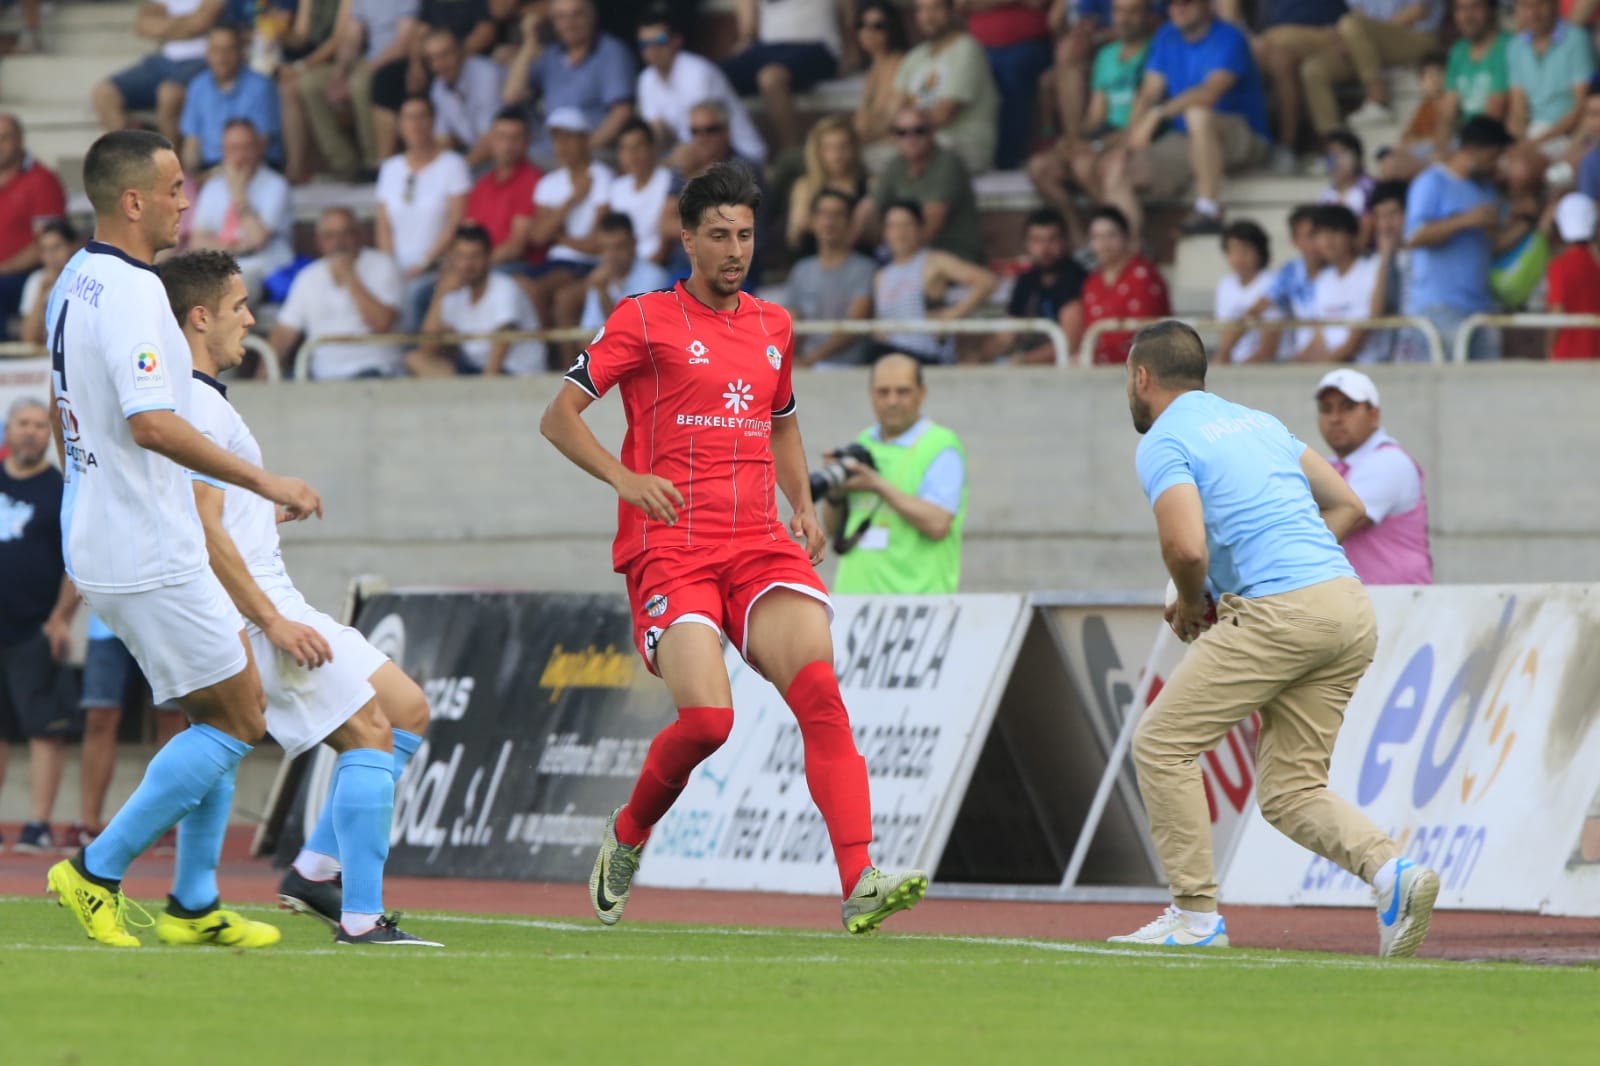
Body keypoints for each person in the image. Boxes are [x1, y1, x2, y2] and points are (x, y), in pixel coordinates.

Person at [539, 162, 929, 935]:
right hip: (671, 546)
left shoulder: (772, 326)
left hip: (757, 543)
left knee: (821, 694)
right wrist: (626, 478)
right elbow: (559, 417)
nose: (734, 249)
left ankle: (859, 881)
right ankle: (629, 833)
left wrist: (803, 505)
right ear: (687, 240)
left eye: (745, 234)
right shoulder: (644, 317)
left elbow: (781, 420)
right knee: (709, 723)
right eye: (718, 235)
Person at [44, 128, 320, 949]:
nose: (184, 201)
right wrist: (262, 482)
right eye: (173, 189)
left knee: (217, 709)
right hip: (146, 543)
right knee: (239, 716)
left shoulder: (73, 280)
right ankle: (95, 872)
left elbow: (76, 421)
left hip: (102, 529)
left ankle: (194, 904)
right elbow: (153, 423)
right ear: (134, 201)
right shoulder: (132, 293)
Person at [1112, 319, 1440, 958]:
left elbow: (1184, 545)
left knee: (1162, 743)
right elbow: (1345, 502)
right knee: (1291, 791)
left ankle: (1194, 917)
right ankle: (1391, 873)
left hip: (1281, 612)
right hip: (1346, 607)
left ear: (1140, 377)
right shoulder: (1256, 421)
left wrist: (1189, 601)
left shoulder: (1164, 440)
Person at [149, 250, 436, 945]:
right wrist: (270, 621)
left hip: (274, 601)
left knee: (406, 711)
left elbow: (210, 518)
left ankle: (313, 869)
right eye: (239, 305)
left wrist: (266, 512)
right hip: (260, 615)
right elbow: (202, 532)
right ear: (200, 317)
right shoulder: (191, 404)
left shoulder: (204, 400)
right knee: (368, 732)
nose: (252, 317)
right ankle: (362, 919)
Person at [1103, 0, 1270, 239]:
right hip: (1187, 138)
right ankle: (1128, 255)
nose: (1178, 8)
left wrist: (1158, 114)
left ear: (1206, 5)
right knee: (1119, 170)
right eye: (1172, 4)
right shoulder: (1166, 34)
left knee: (1198, 113)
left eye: (1187, 2)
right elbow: (1149, 92)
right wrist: (1130, 139)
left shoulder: (1229, 36)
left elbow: (1210, 93)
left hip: (1244, 134)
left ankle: (1209, 210)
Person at [0, 398, 79, 854]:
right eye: (22, 424)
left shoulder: (60, 489)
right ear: (8, 431)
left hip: (36, 629)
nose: (30, 431)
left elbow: (75, 561)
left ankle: (38, 823)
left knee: (45, 730)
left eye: (37, 424)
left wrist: (59, 620)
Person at [824, 353, 968, 594]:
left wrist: (877, 485)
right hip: (855, 601)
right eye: (883, 392)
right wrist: (834, 495)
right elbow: (831, 529)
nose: (892, 401)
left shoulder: (941, 446)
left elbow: (938, 524)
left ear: (922, 393)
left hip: (916, 607)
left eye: (903, 392)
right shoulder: (862, 443)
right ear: (871, 394)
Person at [1026, 0, 1152, 233]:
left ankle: (1121, 236)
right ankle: (1079, 238)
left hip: (1136, 140)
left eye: (1133, 12)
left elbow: (1138, 125)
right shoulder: (1107, 55)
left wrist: (1093, 145)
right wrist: (1075, 140)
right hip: (1104, 138)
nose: (1124, 19)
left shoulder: (1155, 52)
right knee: (1040, 168)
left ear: (1148, 15)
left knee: (1084, 165)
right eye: (1119, 11)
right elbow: (1096, 117)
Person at [1404, 115, 1521, 361]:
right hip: (1440, 306)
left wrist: (1527, 224)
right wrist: (1465, 220)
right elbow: (1414, 236)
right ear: (1471, 150)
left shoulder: (1485, 189)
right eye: (1493, 156)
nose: (1496, 164)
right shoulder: (1432, 182)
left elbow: (1493, 246)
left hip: (1481, 308)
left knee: (1484, 391)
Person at [73, 615, 185, 852]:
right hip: (106, 621)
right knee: (99, 716)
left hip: (164, 621)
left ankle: (169, 826)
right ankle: (89, 826)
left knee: (171, 718)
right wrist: (61, 617)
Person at [1314, 368, 1433, 585]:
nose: (1335, 419)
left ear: (1374, 414)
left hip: (1402, 607)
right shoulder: (1332, 465)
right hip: (1373, 606)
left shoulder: (1389, 461)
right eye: (1326, 409)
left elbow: (1332, 524)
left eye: (1347, 407)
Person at [269, 207, 406, 380]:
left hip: (373, 371)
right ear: (319, 241)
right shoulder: (308, 276)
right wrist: (264, 375)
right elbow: (284, 333)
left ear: (359, 235)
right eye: (330, 236)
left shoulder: (383, 265)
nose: (339, 242)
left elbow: (382, 323)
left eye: (345, 233)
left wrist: (350, 277)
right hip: (320, 377)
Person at [375, 95, 472, 331]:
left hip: (437, 265)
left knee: (413, 295)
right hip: (396, 265)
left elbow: (455, 221)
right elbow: (383, 225)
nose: (415, 124)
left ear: (432, 121)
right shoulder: (390, 168)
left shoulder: (453, 164)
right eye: (409, 118)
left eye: (421, 116)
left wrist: (424, 263)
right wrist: (390, 266)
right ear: (400, 125)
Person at [298, 0, 421, 180]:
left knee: (359, 83)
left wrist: (367, 69)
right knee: (309, 84)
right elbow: (352, 37)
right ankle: (343, 163)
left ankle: (373, 163)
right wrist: (340, 74)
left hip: (395, 64)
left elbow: (403, 43)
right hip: (366, 63)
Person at [503, 0, 635, 162]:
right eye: (561, 17)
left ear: (592, 17)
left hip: (594, 153)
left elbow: (622, 112)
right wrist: (529, 43)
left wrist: (583, 150)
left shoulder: (612, 52)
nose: (569, 23)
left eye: (577, 15)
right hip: (549, 150)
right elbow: (511, 96)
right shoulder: (550, 55)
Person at [635, 9, 767, 170]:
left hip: (742, 157)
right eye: (645, 44)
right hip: (698, 157)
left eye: (660, 40)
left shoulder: (697, 72)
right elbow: (656, 133)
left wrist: (659, 165)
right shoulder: (646, 79)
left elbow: (704, 138)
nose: (653, 49)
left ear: (677, 41)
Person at [409, 224, 547, 376]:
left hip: (514, 374)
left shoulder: (504, 287)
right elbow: (427, 348)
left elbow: (503, 341)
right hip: (476, 373)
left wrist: (483, 387)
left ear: (488, 258)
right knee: (415, 359)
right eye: (461, 256)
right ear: (451, 258)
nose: (467, 264)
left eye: (475, 256)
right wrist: (439, 295)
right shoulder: (453, 294)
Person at [874, 199, 999, 366]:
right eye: (893, 226)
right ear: (885, 233)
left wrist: (953, 315)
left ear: (920, 229)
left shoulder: (934, 261)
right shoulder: (881, 276)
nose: (900, 233)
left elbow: (986, 281)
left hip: (926, 356)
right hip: (892, 359)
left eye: (906, 225)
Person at [526, 107, 614, 344]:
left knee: (551, 295)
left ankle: (562, 364)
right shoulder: (549, 183)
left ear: (584, 139)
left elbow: (596, 242)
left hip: (583, 264)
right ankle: (548, 353)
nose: (562, 145)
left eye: (568, 137)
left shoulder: (601, 176)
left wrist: (560, 236)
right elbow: (538, 236)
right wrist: (573, 198)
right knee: (523, 286)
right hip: (555, 263)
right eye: (557, 138)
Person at [1300, 0, 1446, 138]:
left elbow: (1419, 11)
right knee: (1313, 70)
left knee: (1351, 24)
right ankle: (1334, 145)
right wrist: (1352, 38)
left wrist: (1370, 33)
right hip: (1369, 43)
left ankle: (1377, 101)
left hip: (1417, 37)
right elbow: (1358, 12)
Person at [720, 0, 848, 154]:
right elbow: (748, 27)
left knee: (770, 77)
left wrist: (850, 48)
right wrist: (745, 37)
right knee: (715, 75)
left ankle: (791, 153)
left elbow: (847, 10)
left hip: (818, 46)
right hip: (767, 47)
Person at [92, 0, 224, 145]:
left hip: (202, 60)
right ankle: (129, 156)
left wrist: (164, 25)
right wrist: (186, 24)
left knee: (168, 94)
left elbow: (200, 23)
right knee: (104, 93)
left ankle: (169, 161)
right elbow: (142, 25)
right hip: (163, 59)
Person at [187, 119, 293, 300]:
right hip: (220, 267)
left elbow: (256, 240)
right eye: (233, 149)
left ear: (259, 148)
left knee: (233, 289)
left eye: (246, 147)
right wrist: (234, 248)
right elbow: (197, 242)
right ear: (223, 151)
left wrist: (238, 194)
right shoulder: (214, 186)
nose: (240, 156)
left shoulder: (276, 185)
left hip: (264, 269)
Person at [894, 0, 1001, 175]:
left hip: (965, 142)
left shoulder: (967, 49)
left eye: (935, 8)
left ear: (952, 11)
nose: (928, 17)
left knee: (912, 149)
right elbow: (897, 109)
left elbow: (944, 114)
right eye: (921, 10)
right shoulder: (915, 56)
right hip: (923, 138)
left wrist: (905, 132)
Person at [866, 106, 984, 264]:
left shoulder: (947, 163)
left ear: (932, 132)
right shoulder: (896, 164)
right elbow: (869, 207)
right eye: (902, 132)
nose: (910, 138)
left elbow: (932, 220)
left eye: (919, 131)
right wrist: (846, 244)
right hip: (913, 253)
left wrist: (902, 263)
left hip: (952, 253)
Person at [981, 208, 1089, 365]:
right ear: (1027, 244)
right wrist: (980, 358)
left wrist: (1022, 360)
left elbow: (1069, 344)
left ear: (1066, 241)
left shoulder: (1076, 278)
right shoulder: (1026, 280)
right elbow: (1007, 333)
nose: (1045, 249)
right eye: (1037, 241)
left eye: (1052, 240)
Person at [787, 189, 878, 368]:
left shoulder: (865, 268)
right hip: (806, 367)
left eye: (838, 214)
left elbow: (854, 326)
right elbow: (791, 320)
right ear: (812, 221)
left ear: (851, 223)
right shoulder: (801, 270)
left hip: (847, 368)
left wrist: (811, 359)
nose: (829, 221)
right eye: (823, 214)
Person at [958, 0, 1054, 169]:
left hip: (1029, 46)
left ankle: (1008, 159)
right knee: (965, 70)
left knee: (1012, 71)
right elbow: (962, 4)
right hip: (980, 49)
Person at [178, 26, 284, 174]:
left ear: (241, 53)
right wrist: (192, 178)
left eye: (229, 50)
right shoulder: (197, 86)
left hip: (256, 167)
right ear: (207, 53)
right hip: (209, 169)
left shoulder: (261, 86)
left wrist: (219, 176)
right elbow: (191, 144)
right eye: (216, 50)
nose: (221, 58)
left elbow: (260, 145)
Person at [0, 114, 67, 334]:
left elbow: (45, 243)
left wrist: (3, 269)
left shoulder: (42, 180)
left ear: (20, 140)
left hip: (24, 274)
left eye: (4, 138)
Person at [1081, 205, 1171, 364]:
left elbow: (1145, 332)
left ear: (1127, 237)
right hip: (1098, 370)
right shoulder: (1091, 282)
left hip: (1142, 369)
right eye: (1097, 237)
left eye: (1111, 235)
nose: (1104, 243)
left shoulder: (1143, 275)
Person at [1507, 0, 1594, 159]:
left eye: (1540, 5)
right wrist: (1518, 143)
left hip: (1567, 135)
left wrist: (1534, 144)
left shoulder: (1576, 39)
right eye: (1526, 6)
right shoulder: (1516, 46)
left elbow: (1581, 107)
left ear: (1555, 5)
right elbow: (1517, 108)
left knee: (1521, 172)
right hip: (1532, 133)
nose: (1533, 13)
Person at [1300, 204, 1384, 364]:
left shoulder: (1372, 270)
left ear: (1351, 235)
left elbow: (1359, 336)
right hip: (1332, 370)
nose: (1328, 241)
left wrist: (1323, 368)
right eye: (1322, 234)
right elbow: (1320, 337)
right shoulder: (1323, 280)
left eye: (1335, 232)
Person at [467, 108, 545, 275]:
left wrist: (474, 265)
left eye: (515, 138)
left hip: (515, 266)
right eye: (501, 137)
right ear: (491, 140)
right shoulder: (482, 183)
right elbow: (468, 233)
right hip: (479, 265)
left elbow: (516, 247)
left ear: (527, 141)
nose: (508, 145)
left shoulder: (534, 181)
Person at [786, 115, 871, 257]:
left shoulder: (869, 184)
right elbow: (794, 235)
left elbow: (876, 235)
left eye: (843, 146)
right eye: (829, 147)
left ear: (853, 148)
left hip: (857, 259)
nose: (837, 155)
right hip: (813, 259)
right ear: (817, 151)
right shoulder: (805, 186)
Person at [1249, 204, 1324, 361]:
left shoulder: (1337, 271)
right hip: (1305, 359)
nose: (1320, 241)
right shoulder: (1291, 271)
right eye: (1311, 235)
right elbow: (1258, 308)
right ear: (1295, 241)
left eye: (1321, 233)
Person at [424, 25, 505, 169]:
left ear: (460, 52)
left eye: (444, 55)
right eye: (432, 59)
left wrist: (459, 171)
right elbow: (442, 139)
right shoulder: (438, 87)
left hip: (512, 155)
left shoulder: (486, 75)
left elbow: (491, 139)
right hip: (478, 159)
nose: (439, 65)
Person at [575, 212, 670, 331]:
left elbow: (631, 333)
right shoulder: (600, 276)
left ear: (633, 243)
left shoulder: (655, 277)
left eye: (619, 247)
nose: (611, 256)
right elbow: (587, 333)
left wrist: (603, 293)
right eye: (605, 248)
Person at [1212, 219, 1282, 365]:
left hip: (1267, 366)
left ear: (1260, 252)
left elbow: (1268, 348)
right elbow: (1225, 336)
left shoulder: (1272, 283)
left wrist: (1239, 370)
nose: (1239, 257)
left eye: (1246, 250)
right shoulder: (1225, 285)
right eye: (1233, 251)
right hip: (1234, 365)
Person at [606, 119, 673, 266]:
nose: (632, 155)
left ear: (652, 148)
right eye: (625, 148)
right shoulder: (617, 187)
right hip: (621, 267)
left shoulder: (669, 181)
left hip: (657, 265)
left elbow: (666, 245)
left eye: (638, 146)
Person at [852, 0, 911, 169]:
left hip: (890, 144)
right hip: (870, 141)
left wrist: (856, 138)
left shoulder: (901, 62)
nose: (868, 32)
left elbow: (893, 116)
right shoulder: (874, 67)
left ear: (892, 29)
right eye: (861, 25)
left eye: (878, 26)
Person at [1545, 191, 1600, 358]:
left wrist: (1548, 348)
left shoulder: (1559, 266)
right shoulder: (1596, 263)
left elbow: (1557, 311)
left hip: (1566, 353)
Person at [19, 219, 79, 347]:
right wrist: (41, 293)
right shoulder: (36, 280)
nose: (51, 256)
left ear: (73, 247)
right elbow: (28, 337)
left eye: (57, 247)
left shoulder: (84, 278)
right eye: (45, 250)